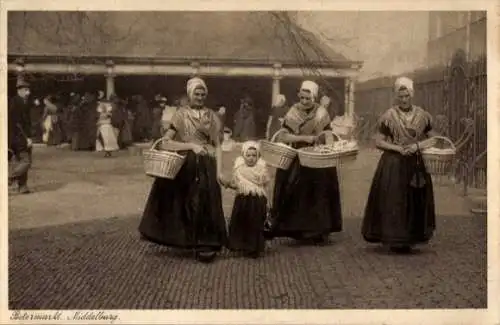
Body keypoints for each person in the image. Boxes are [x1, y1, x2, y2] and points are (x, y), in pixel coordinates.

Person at [138, 77, 227, 263]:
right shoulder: (180, 115)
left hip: (207, 164)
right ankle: (188, 241)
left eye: (203, 94)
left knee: (206, 200)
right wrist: (190, 146)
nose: (200, 97)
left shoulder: (212, 116)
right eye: (197, 94)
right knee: (187, 201)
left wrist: (220, 172)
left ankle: (206, 243)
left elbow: (217, 145)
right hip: (186, 165)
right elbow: (165, 142)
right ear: (189, 95)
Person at [362, 77, 438, 254]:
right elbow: (378, 141)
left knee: (414, 198)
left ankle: (411, 237)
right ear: (396, 96)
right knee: (394, 199)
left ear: (412, 95)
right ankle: (396, 238)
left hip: (415, 163)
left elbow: (434, 139)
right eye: (400, 96)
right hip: (393, 164)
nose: (404, 99)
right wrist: (397, 148)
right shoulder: (388, 116)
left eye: (407, 96)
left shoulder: (423, 116)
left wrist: (417, 146)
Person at [264, 80, 342, 245]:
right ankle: (297, 229)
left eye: (308, 98)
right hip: (298, 155)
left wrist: (329, 146)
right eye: (302, 98)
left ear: (314, 97)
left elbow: (328, 133)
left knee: (320, 192)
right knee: (296, 190)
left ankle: (319, 230)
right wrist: (304, 138)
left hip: (318, 156)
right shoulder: (293, 111)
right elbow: (283, 136)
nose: (304, 101)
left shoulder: (322, 113)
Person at [220, 141, 271, 258]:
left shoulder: (261, 170)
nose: (251, 158)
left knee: (255, 224)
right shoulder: (239, 169)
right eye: (248, 155)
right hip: (243, 200)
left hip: (256, 201)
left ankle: (253, 248)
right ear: (243, 156)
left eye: (254, 155)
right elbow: (236, 184)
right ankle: (240, 245)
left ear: (258, 156)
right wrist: (226, 183)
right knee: (241, 222)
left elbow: (264, 184)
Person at [8, 79, 33, 194]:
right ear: (19, 90)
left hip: (19, 136)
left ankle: (22, 186)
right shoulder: (15, 102)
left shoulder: (23, 102)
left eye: (28, 90)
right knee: (26, 161)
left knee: (22, 159)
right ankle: (9, 178)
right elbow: (17, 123)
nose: (28, 92)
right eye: (26, 90)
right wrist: (26, 138)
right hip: (18, 137)